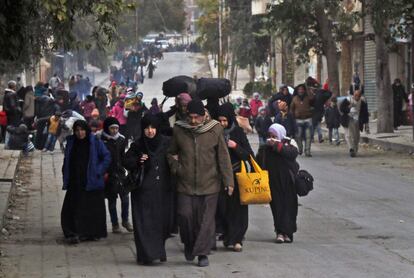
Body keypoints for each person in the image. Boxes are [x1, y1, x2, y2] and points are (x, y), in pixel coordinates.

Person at [168, 100, 234, 267]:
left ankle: (202, 253)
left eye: (196, 117)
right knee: (185, 216)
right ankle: (190, 245)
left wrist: (228, 181)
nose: (193, 121)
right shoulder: (179, 129)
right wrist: (177, 168)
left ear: (204, 115)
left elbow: (223, 157)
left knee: (205, 221)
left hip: (210, 183)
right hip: (185, 183)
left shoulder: (215, 129)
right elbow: (170, 152)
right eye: (190, 117)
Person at [124, 114, 173, 265]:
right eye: (146, 128)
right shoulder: (138, 145)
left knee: (161, 223)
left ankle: (159, 252)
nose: (150, 131)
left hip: (162, 191)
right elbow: (126, 161)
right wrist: (138, 160)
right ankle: (146, 254)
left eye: (153, 127)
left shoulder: (167, 143)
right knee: (144, 224)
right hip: (142, 192)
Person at [61, 120, 111, 244]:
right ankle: (74, 232)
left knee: (91, 208)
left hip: (91, 180)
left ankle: (90, 233)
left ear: (86, 130)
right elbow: (67, 159)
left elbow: (106, 156)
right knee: (73, 207)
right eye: (77, 130)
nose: (80, 133)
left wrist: (98, 171)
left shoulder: (94, 141)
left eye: (82, 130)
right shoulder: (71, 141)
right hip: (75, 180)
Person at [216, 103, 253, 252]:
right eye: (220, 120)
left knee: (239, 209)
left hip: (237, 176)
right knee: (223, 208)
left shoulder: (237, 132)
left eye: (225, 120)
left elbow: (249, 154)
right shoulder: (214, 133)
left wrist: (235, 146)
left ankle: (237, 239)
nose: (222, 124)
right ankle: (227, 236)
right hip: (220, 177)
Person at [257, 124, 299, 244]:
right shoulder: (265, 149)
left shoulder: (289, 144)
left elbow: (292, 154)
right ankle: (280, 232)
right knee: (277, 208)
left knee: (290, 208)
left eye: (274, 136)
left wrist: (277, 145)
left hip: (288, 182)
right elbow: (258, 161)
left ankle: (288, 233)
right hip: (273, 183)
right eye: (270, 136)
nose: (271, 138)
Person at [99, 117, 132, 234]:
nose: (114, 131)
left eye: (116, 128)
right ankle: (115, 224)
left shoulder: (122, 139)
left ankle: (125, 220)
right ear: (107, 128)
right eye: (112, 128)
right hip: (108, 174)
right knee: (112, 200)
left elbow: (123, 156)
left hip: (120, 173)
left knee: (125, 198)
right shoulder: (101, 140)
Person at [340, 90, 369, 157]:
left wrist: (366, 125)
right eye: (355, 95)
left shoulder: (362, 102)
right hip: (348, 119)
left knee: (356, 136)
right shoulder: (348, 100)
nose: (357, 97)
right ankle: (351, 149)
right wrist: (349, 110)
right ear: (353, 95)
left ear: (360, 96)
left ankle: (355, 150)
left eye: (358, 96)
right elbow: (342, 108)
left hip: (357, 120)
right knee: (349, 135)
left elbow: (365, 113)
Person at [290, 84, 314, 157]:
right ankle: (300, 149)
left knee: (308, 136)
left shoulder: (308, 97)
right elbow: (291, 109)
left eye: (302, 89)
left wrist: (307, 88)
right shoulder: (294, 98)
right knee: (298, 136)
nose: (301, 91)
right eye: (299, 89)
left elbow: (313, 98)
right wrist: (292, 117)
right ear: (297, 91)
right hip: (298, 120)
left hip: (308, 118)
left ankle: (307, 152)